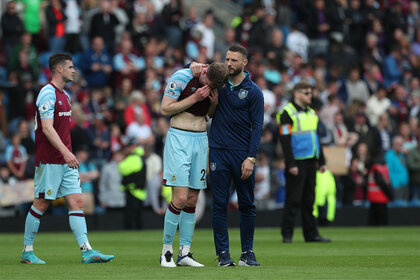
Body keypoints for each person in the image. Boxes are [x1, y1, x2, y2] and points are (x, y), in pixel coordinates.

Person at [21, 53, 114, 264]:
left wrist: (67, 153)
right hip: (50, 160)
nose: (74, 70)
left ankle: (86, 250)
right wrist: (65, 152)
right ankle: (27, 251)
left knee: (77, 201)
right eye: (71, 67)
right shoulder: (47, 93)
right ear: (59, 69)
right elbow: (46, 128)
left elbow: (61, 131)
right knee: (42, 203)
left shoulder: (66, 96)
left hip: (66, 160)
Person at [159, 62, 229, 267]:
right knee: (179, 197)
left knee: (192, 199)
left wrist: (213, 104)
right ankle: (166, 252)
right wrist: (195, 97)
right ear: (204, 71)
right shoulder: (181, 77)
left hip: (200, 140)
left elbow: (208, 116)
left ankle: (185, 253)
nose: (208, 86)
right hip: (179, 138)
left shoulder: (214, 86)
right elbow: (165, 108)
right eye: (208, 82)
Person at [208, 44, 264, 266]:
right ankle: (223, 254)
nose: (228, 63)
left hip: (242, 155)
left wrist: (251, 157)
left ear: (244, 63)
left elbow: (257, 127)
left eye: (233, 60)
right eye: (226, 59)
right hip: (219, 153)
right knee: (219, 205)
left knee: (247, 205)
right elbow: (192, 69)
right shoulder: (218, 84)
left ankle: (247, 253)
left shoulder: (254, 92)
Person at [277, 81, 331, 244]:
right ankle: (287, 234)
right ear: (297, 94)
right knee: (293, 199)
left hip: (310, 161)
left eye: (310, 93)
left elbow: (315, 138)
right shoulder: (287, 113)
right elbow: (285, 141)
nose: (310, 96)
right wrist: (291, 163)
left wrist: (321, 160)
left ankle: (311, 234)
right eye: (306, 93)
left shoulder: (312, 113)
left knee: (310, 200)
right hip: (296, 163)